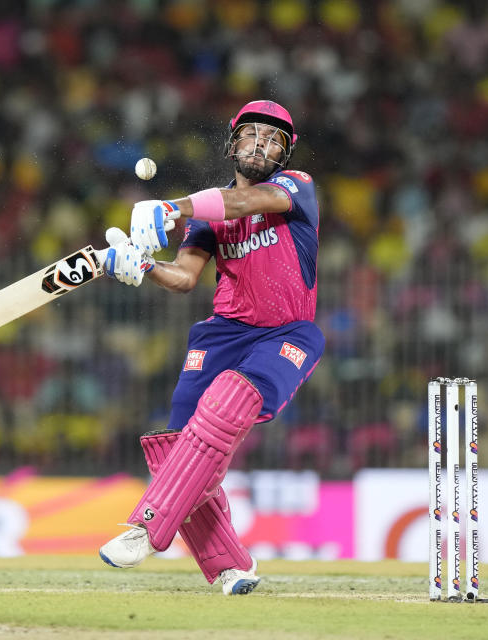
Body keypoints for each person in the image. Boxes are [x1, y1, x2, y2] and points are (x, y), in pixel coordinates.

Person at [98, 100, 324, 595]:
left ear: (286, 153)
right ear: (232, 143)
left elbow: (239, 203)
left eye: (273, 138)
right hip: (223, 334)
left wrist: (170, 207)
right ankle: (231, 566)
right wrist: (141, 267)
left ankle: (147, 528)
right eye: (250, 135)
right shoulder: (206, 220)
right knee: (176, 446)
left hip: (286, 332)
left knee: (228, 401)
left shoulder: (295, 187)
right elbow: (182, 279)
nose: (260, 144)